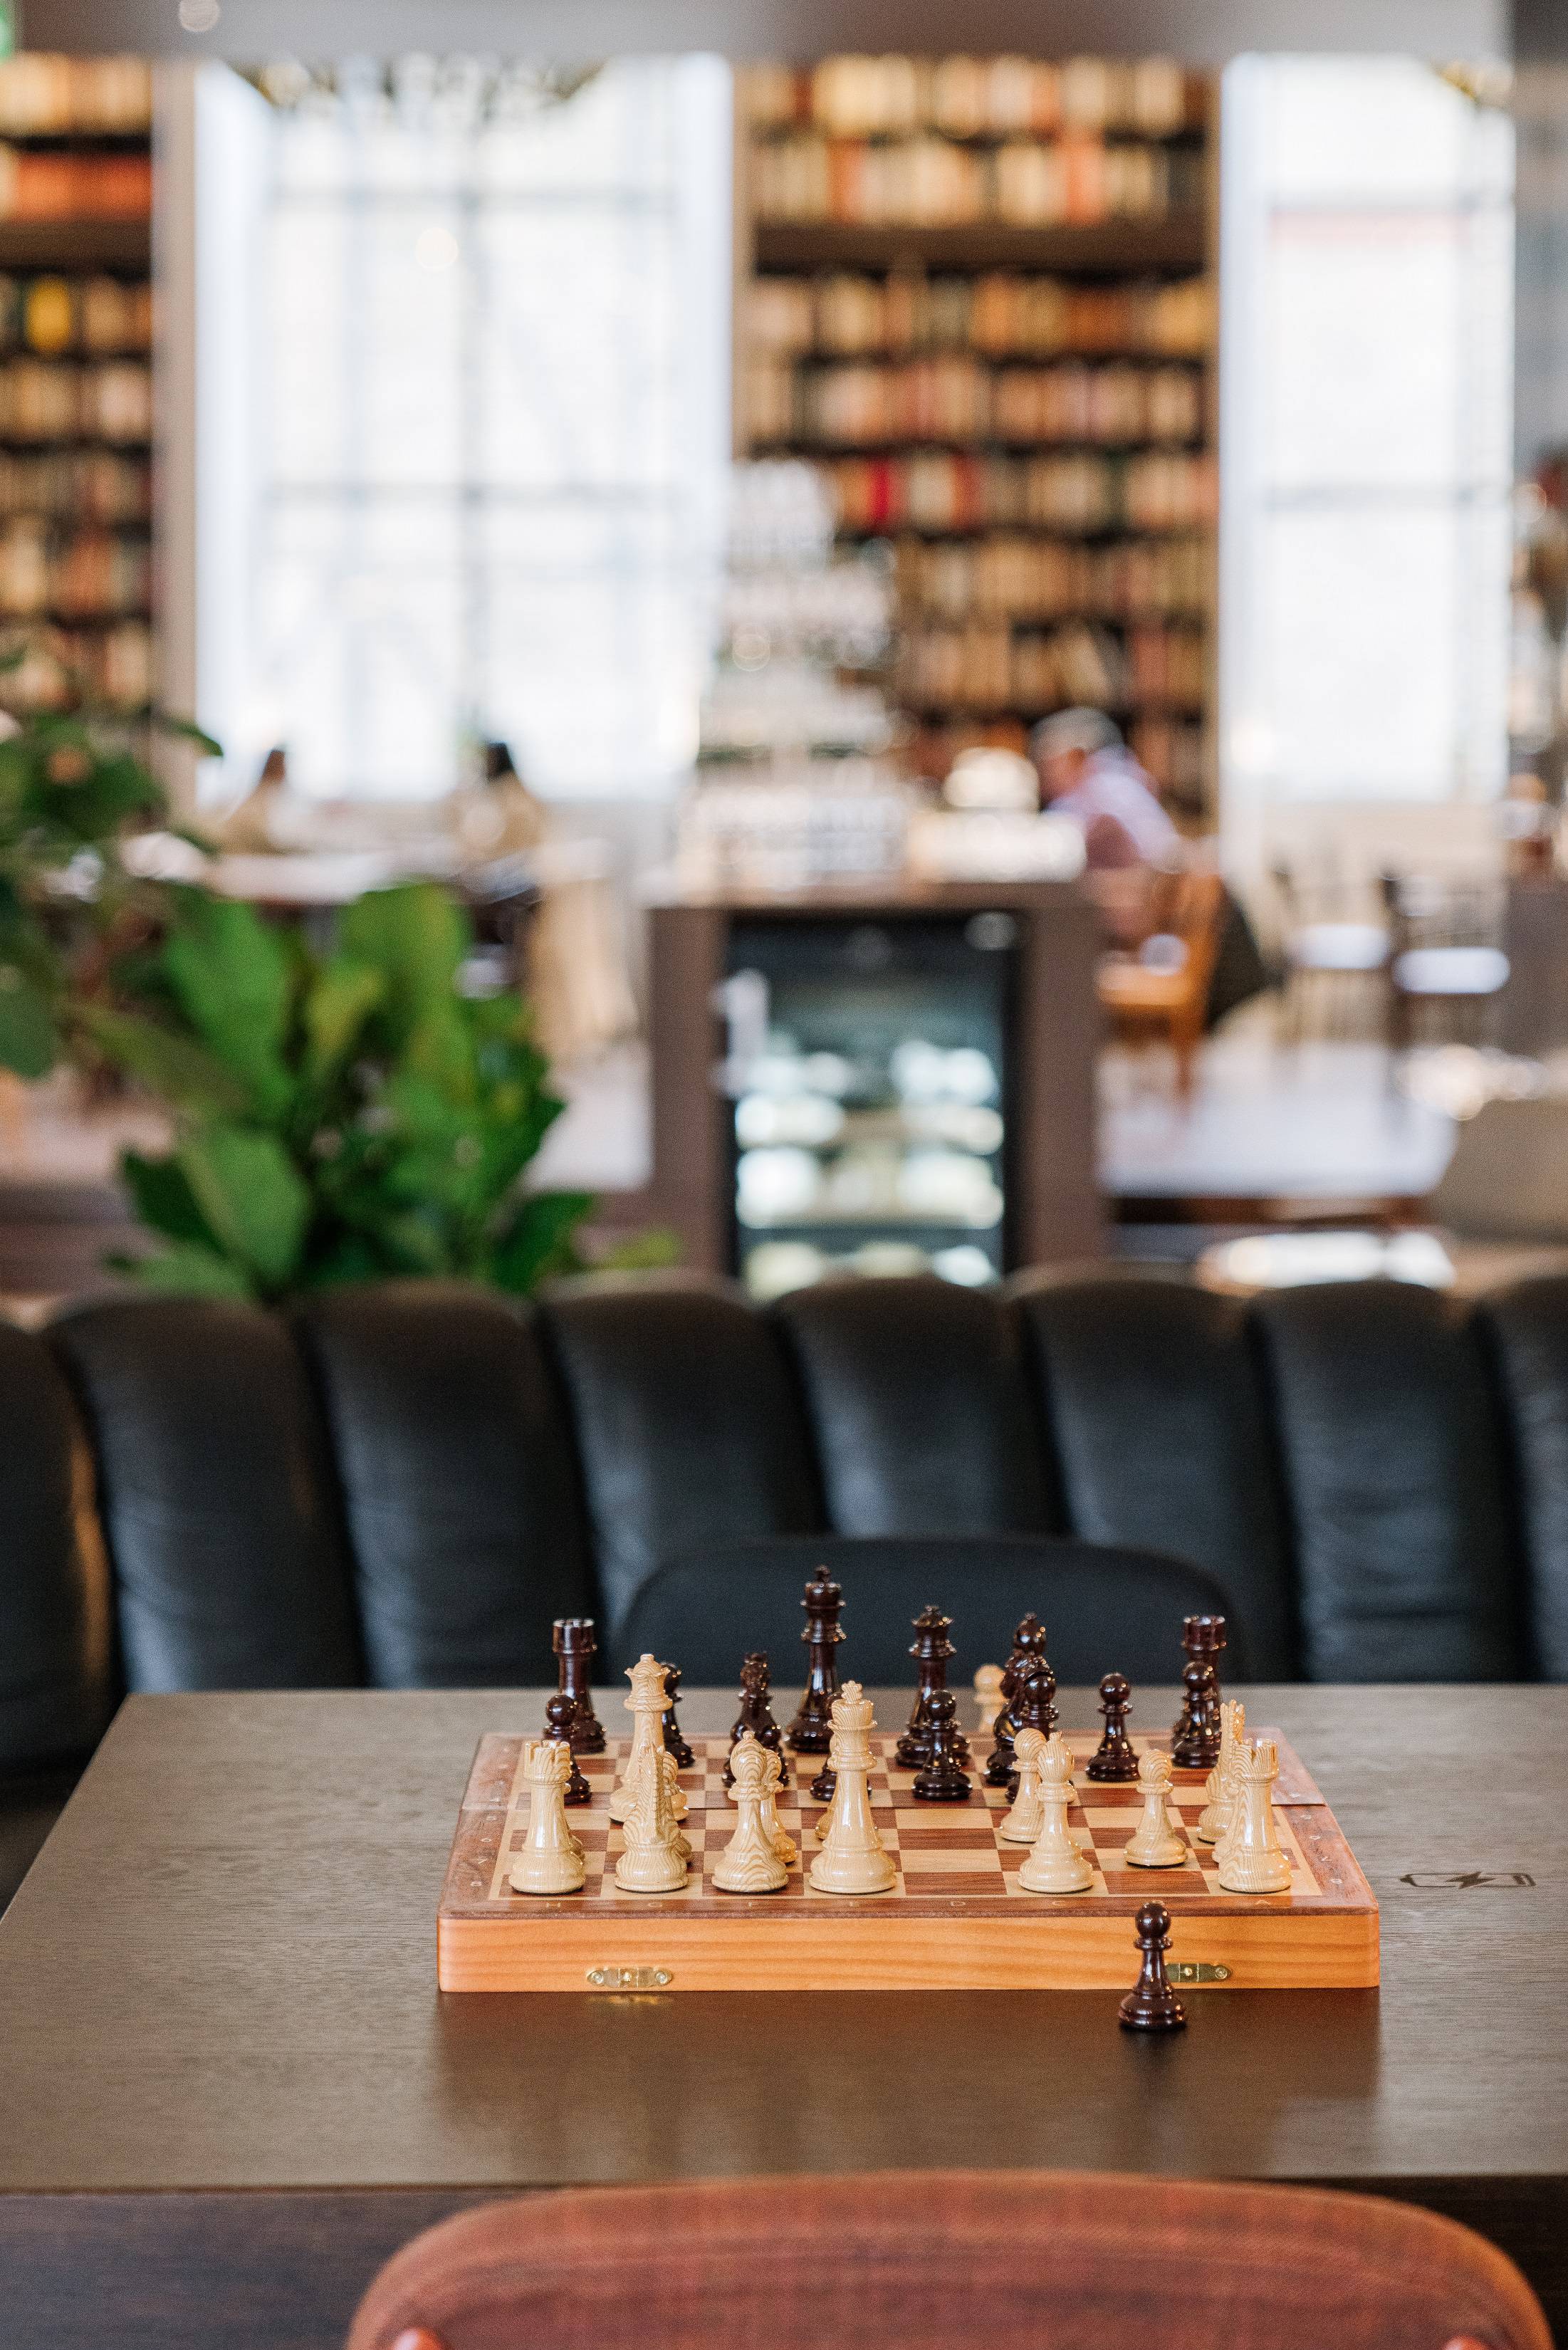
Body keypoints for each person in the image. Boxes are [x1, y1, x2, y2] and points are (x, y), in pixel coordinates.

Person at [1028, 708, 1180, 872]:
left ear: (1076, 757)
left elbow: (1160, 850)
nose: (1043, 777)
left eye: (1049, 766)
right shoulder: (1076, 796)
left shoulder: (1110, 788)